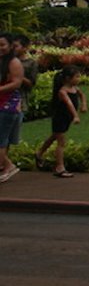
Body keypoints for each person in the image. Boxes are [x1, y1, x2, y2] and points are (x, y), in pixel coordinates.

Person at [35, 64, 85, 178]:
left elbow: (82, 96)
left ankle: (39, 153)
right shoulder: (62, 91)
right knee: (61, 142)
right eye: (76, 77)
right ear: (68, 78)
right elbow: (69, 104)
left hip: (67, 118)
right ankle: (59, 167)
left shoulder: (75, 89)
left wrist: (84, 105)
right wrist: (75, 115)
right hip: (60, 118)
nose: (79, 79)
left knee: (54, 136)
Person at [0, 33, 23, 182]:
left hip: (7, 105)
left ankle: (8, 166)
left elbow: (17, 83)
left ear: (10, 46)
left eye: (2, 45)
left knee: (1, 140)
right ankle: (7, 166)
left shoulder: (14, 62)